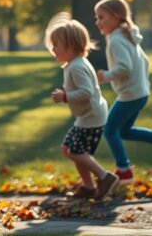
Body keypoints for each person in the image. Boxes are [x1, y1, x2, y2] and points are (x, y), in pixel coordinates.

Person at [94, 0, 152, 183]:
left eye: (101, 17)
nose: (97, 22)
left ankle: (124, 170)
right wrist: (141, 82)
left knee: (109, 130)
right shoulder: (128, 36)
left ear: (116, 17)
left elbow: (125, 67)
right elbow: (145, 62)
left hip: (131, 94)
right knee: (123, 131)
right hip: (140, 92)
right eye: (97, 17)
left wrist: (105, 76)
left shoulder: (116, 39)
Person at [45, 13, 118, 200]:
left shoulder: (77, 66)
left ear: (71, 45)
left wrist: (65, 96)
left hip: (92, 117)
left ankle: (104, 177)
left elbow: (87, 92)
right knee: (68, 148)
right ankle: (88, 186)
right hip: (88, 116)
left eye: (56, 45)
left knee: (75, 151)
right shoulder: (73, 64)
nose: (53, 49)